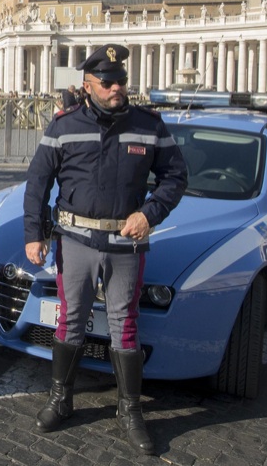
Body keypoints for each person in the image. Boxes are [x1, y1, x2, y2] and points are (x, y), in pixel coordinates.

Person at [22, 44, 186, 456]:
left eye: (121, 81)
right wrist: (33, 234)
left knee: (124, 325)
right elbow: (38, 182)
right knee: (70, 320)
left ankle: (130, 411)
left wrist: (149, 214)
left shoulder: (148, 124)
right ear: (87, 84)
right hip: (76, 240)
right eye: (107, 82)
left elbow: (176, 176)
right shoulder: (64, 125)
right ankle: (61, 399)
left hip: (125, 244)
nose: (116, 88)